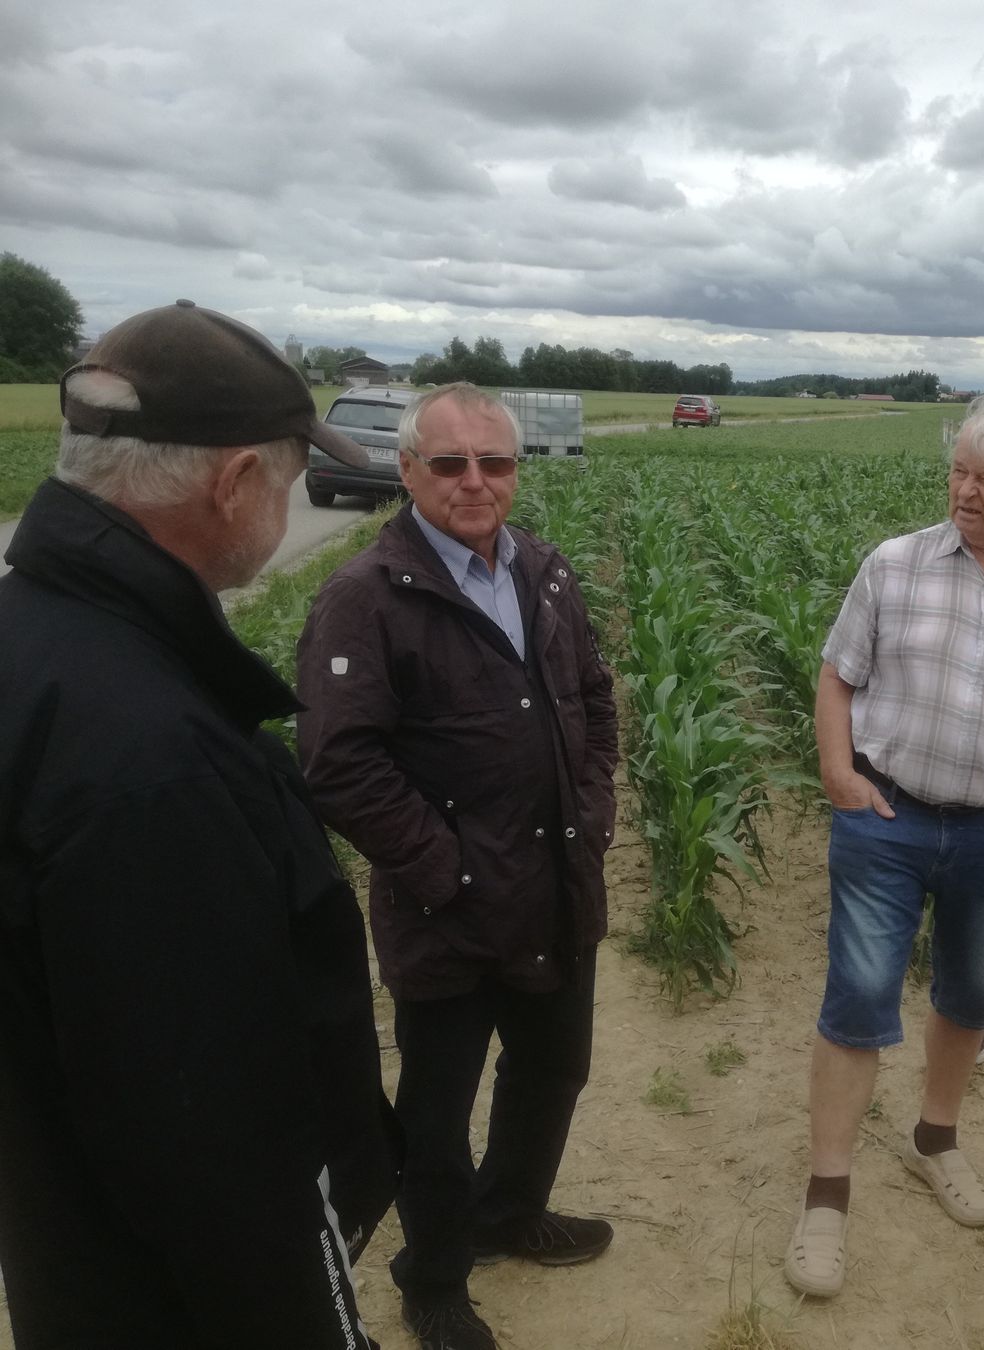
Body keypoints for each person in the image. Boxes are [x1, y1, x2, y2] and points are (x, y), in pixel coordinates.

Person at [0, 300, 397, 1348]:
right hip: (166, 1300)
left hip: (65, 1242)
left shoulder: (30, 644)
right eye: (287, 476)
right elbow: (221, 1149)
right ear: (233, 488)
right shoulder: (156, 761)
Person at [297, 382, 619, 1350]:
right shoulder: (366, 598)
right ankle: (433, 1275)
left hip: (557, 887)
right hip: (450, 911)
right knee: (436, 1112)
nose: (475, 482)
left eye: (496, 462)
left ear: (517, 471)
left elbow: (594, 702)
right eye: (450, 463)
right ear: (407, 471)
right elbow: (338, 765)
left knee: (553, 1068)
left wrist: (592, 816)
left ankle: (508, 1213)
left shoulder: (544, 573)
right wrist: (448, 872)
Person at [784, 389, 984, 1299]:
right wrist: (839, 775)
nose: (964, 492)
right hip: (885, 820)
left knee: (970, 998)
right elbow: (836, 676)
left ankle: (936, 1139)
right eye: (957, 472)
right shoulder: (894, 566)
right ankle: (826, 1193)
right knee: (856, 999)